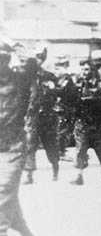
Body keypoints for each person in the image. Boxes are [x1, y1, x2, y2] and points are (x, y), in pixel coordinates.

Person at [0, 35, 37, 236]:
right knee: (9, 201)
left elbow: (32, 62)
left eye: (2, 59)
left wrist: (16, 44)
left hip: (13, 149)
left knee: (3, 191)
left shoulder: (19, 81)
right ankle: (27, 235)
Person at [70, 61, 101, 185]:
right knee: (80, 150)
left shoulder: (100, 85)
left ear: (92, 71)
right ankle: (79, 176)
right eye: (82, 69)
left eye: (87, 69)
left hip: (97, 124)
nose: (84, 72)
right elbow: (73, 101)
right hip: (82, 124)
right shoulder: (78, 84)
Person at [23, 53, 61, 184]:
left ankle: (55, 169)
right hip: (32, 117)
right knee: (29, 145)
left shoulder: (49, 76)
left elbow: (59, 93)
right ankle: (29, 175)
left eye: (38, 59)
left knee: (50, 144)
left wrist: (52, 92)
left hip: (47, 116)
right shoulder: (26, 78)